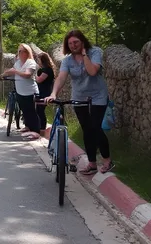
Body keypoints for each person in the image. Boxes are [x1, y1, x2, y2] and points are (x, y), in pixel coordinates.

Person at [45, 30, 113, 175]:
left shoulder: (94, 52)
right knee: (87, 129)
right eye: (70, 43)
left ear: (82, 41)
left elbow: (93, 71)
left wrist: (84, 55)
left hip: (97, 96)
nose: (73, 45)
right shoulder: (67, 60)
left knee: (96, 127)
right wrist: (53, 93)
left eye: (76, 42)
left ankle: (107, 160)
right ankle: (92, 163)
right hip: (79, 97)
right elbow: (62, 77)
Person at [0, 43, 41, 140]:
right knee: (24, 110)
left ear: (27, 52)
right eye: (19, 51)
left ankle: (36, 131)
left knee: (31, 111)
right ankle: (28, 127)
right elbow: (10, 71)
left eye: (23, 51)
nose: (21, 53)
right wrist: (1, 76)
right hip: (20, 91)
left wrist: (15, 72)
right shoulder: (18, 63)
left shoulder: (30, 62)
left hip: (30, 92)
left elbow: (27, 74)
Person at [35, 52, 56, 132]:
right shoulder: (43, 69)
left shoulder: (47, 70)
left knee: (40, 110)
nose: (38, 61)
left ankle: (42, 127)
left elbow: (39, 80)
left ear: (42, 60)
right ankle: (40, 126)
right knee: (38, 109)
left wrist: (34, 74)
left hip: (45, 93)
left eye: (39, 60)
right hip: (41, 92)